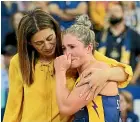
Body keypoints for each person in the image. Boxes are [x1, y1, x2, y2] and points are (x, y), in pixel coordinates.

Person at [3, 9, 132, 122]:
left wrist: (105, 74)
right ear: (29, 43)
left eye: (50, 38)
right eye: (39, 43)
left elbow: (125, 72)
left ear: (56, 31)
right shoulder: (18, 61)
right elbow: (13, 106)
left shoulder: (73, 52)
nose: (47, 46)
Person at [54, 14, 130, 122]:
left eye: (72, 47)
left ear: (89, 48)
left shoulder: (95, 70)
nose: (67, 53)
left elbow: (66, 108)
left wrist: (60, 71)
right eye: (64, 48)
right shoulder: (85, 71)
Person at [96, 2, 140, 84]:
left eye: (116, 11)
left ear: (123, 14)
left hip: (127, 83)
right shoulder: (100, 36)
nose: (112, 14)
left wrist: (134, 78)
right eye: (110, 11)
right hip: (104, 82)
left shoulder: (134, 35)